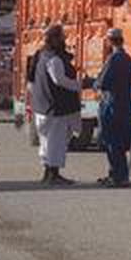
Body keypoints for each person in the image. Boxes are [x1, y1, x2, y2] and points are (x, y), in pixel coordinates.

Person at [29, 24, 82, 186]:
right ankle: (53, 175)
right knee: (56, 142)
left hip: (41, 107)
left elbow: (30, 79)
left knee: (46, 142)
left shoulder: (40, 55)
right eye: (61, 37)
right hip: (54, 109)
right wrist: (79, 84)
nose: (63, 40)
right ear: (55, 39)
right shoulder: (54, 59)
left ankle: (47, 174)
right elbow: (59, 80)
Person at [97, 28, 131, 188]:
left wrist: (93, 83)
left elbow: (103, 82)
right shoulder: (128, 58)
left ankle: (118, 177)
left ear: (110, 41)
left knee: (112, 142)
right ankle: (117, 174)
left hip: (111, 104)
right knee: (118, 142)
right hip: (124, 104)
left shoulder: (113, 59)